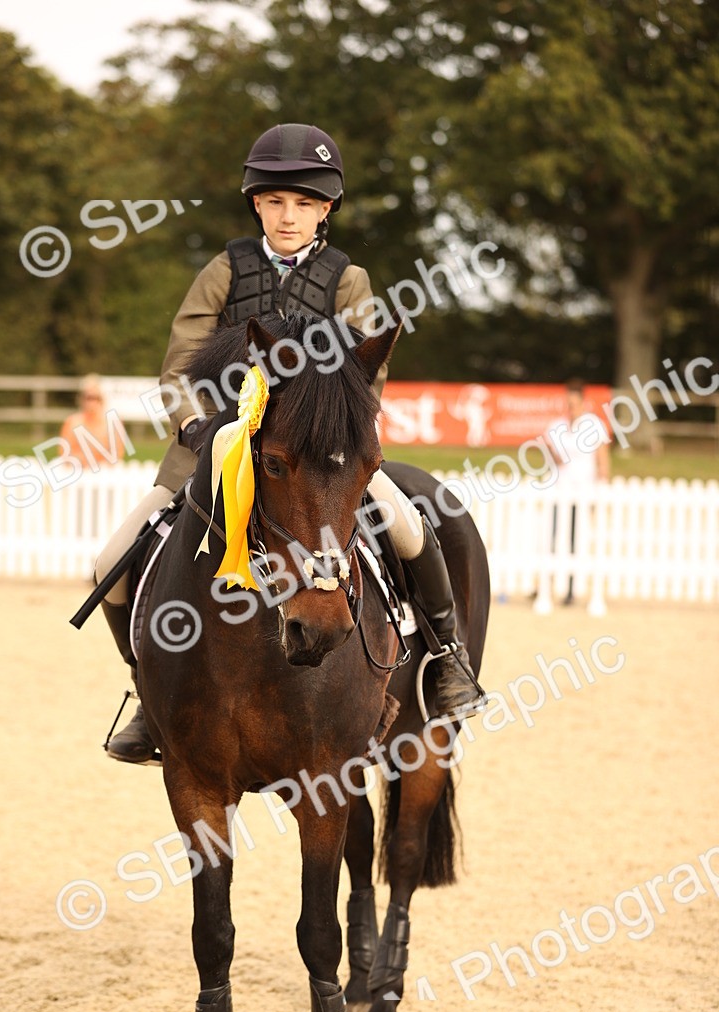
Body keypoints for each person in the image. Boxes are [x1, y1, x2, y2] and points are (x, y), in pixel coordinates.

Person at [95, 123, 487, 763]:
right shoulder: (224, 271)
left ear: (325, 210)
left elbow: (365, 376)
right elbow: (178, 368)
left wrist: (327, 434)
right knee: (107, 565)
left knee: (410, 525)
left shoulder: (348, 280)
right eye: (276, 202)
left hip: (317, 462)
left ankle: (448, 658)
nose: (288, 216)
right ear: (257, 203)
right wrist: (197, 427)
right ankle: (147, 691)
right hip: (213, 454)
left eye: (304, 204)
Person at [543, 379, 611, 604]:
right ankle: (546, 584)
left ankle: (571, 588)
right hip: (559, 488)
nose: (571, 408)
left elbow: (602, 458)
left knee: (574, 538)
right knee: (551, 537)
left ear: (582, 402)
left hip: (582, 491)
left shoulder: (593, 425)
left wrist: (602, 488)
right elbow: (553, 457)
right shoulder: (557, 426)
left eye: (574, 403)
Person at [59, 374, 125, 468]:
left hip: (102, 470)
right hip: (77, 468)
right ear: (81, 399)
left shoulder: (113, 423)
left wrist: (95, 461)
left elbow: (117, 455)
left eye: (94, 398)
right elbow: (63, 452)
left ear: (101, 399)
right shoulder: (72, 422)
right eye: (88, 397)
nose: (91, 403)